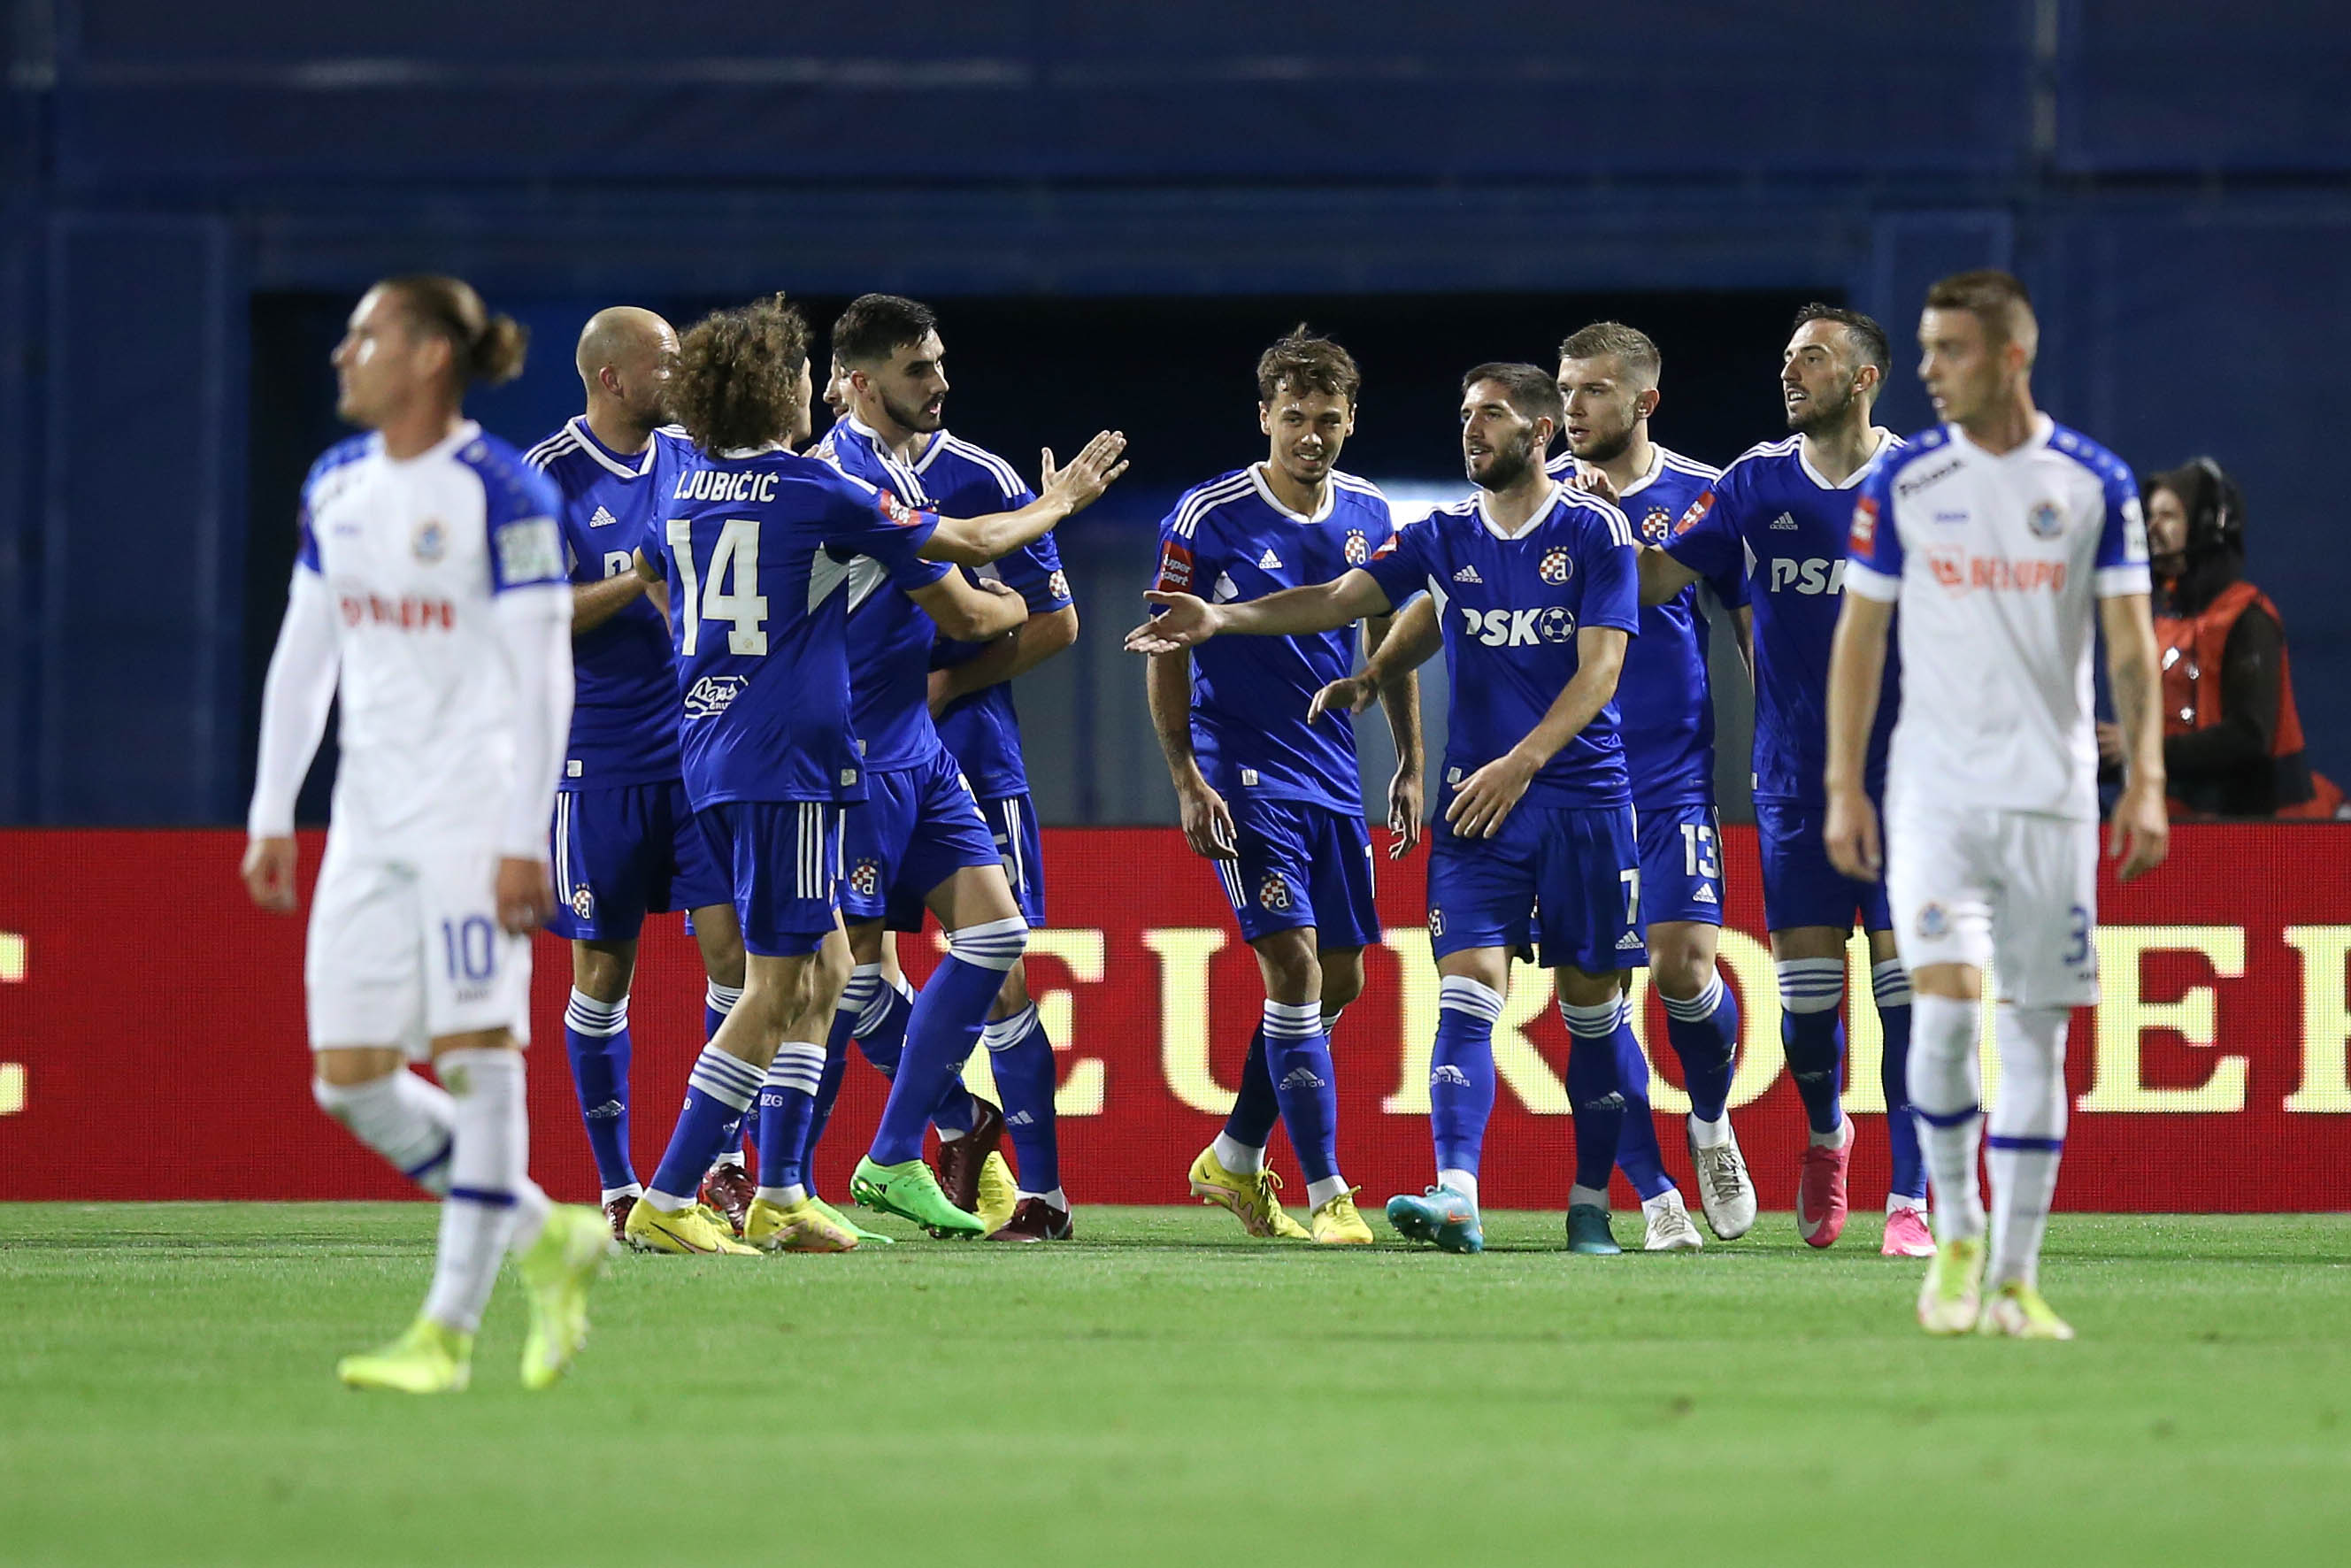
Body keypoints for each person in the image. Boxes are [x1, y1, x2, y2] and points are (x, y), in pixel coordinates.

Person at [620, 294, 1125, 1254]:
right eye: (802, 377)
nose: (813, 390)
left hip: (721, 746)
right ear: (781, 391)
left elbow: (651, 573)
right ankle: (673, 1192)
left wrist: (713, 654)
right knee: (777, 989)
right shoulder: (818, 486)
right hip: (793, 760)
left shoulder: (684, 490)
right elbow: (971, 556)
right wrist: (1058, 505)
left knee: (826, 974)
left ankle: (782, 1192)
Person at [1138, 363, 1644, 1258]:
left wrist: (1456, 752)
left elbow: (1599, 670)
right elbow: (1343, 602)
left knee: (1584, 1009)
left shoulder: (1592, 527)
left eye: (1490, 415)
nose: (1470, 428)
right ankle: (1422, 1193)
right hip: (1436, 798)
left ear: (1537, 433)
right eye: (1464, 413)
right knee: (1444, 988)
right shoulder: (1438, 531)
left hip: (1575, 800)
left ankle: (1597, 1202)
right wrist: (1222, 623)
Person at [242, 275, 611, 1394]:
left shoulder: (503, 491)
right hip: (366, 822)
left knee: (476, 1059)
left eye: (366, 337)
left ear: (429, 355)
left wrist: (523, 833)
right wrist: (272, 809)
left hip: (471, 818)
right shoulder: (336, 483)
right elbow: (306, 652)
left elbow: (542, 673)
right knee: (348, 1078)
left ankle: (447, 1332)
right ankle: (546, 1232)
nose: (342, 354)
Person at [1825, 268, 2168, 1338]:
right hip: (1933, 794)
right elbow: (1859, 637)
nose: (1927, 369)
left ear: (2010, 355)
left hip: (2051, 801)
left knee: (2035, 1040)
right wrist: (1842, 782)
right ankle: (1955, 1235)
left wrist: (2145, 778)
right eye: (1924, 348)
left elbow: (2128, 647)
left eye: (1950, 350)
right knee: (1941, 1011)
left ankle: (2015, 1275)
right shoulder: (1905, 480)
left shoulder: (2092, 482)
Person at [1639, 304, 1933, 1257]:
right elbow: (1653, 576)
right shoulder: (1751, 483)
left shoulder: (1924, 483)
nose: (1789, 371)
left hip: (1910, 788)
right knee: (1808, 1020)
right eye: (1785, 357)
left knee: (1908, 1004)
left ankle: (1910, 1202)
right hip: (1796, 785)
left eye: (1811, 358)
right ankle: (1825, 1133)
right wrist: (1542, 552)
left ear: (1863, 378)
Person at [1143, 326, 1423, 1246]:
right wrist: (1186, 775)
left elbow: (1386, 638)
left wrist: (1409, 759)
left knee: (1339, 978)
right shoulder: (1204, 515)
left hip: (1333, 775)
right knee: (1295, 967)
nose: (1310, 434)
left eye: (1327, 419)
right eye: (1294, 416)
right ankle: (1330, 1192)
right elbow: (1165, 647)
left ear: (1351, 421)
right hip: (1242, 771)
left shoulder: (1371, 511)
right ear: (1263, 415)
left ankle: (1232, 1154)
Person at [811, 293, 1081, 1241]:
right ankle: (786, 1177)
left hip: (949, 756)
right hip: (847, 761)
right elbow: (968, 595)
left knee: (996, 956)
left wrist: (949, 683)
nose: (940, 382)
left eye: (938, 363)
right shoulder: (837, 475)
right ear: (859, 381)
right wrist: (1039, 527)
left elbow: (1055, 620)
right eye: (918, 368)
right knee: (837, 976)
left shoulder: (970, 472)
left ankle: (1031, 1190)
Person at [522, 307, 757, 1242]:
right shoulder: (544, 477)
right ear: (610, 377)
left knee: (737, 958)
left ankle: (721, 1170)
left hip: (704, 752)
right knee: (602, 971)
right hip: (598, 756)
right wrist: (637, 577)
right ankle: (619, 1185)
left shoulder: (696, 458)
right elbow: (528, 615)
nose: (681, 372)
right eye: (665, 360)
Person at [1551, 321, 1755, 1249]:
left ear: (1644, 400)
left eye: (1593, 389)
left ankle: (1709, 1124)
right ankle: (1653, 1192)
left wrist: (1785, 738)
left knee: (1683, 968)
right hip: (1573, 786)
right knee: (1594, 999)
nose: (1572, 407)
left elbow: (1747, 626)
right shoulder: (1537, 496)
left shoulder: (1702, 492)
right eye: (1564, 389)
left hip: (1670, 774)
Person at [2098, 458, 2339, 819]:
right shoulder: (2166, 620)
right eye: (2151, 516)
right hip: (2184, 822)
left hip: (2256, 831)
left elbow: (2248, 737)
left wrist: (2139, 747)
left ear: (2209, 525)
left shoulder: (2247, 618)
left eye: (2169, 516)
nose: (2152, 528)